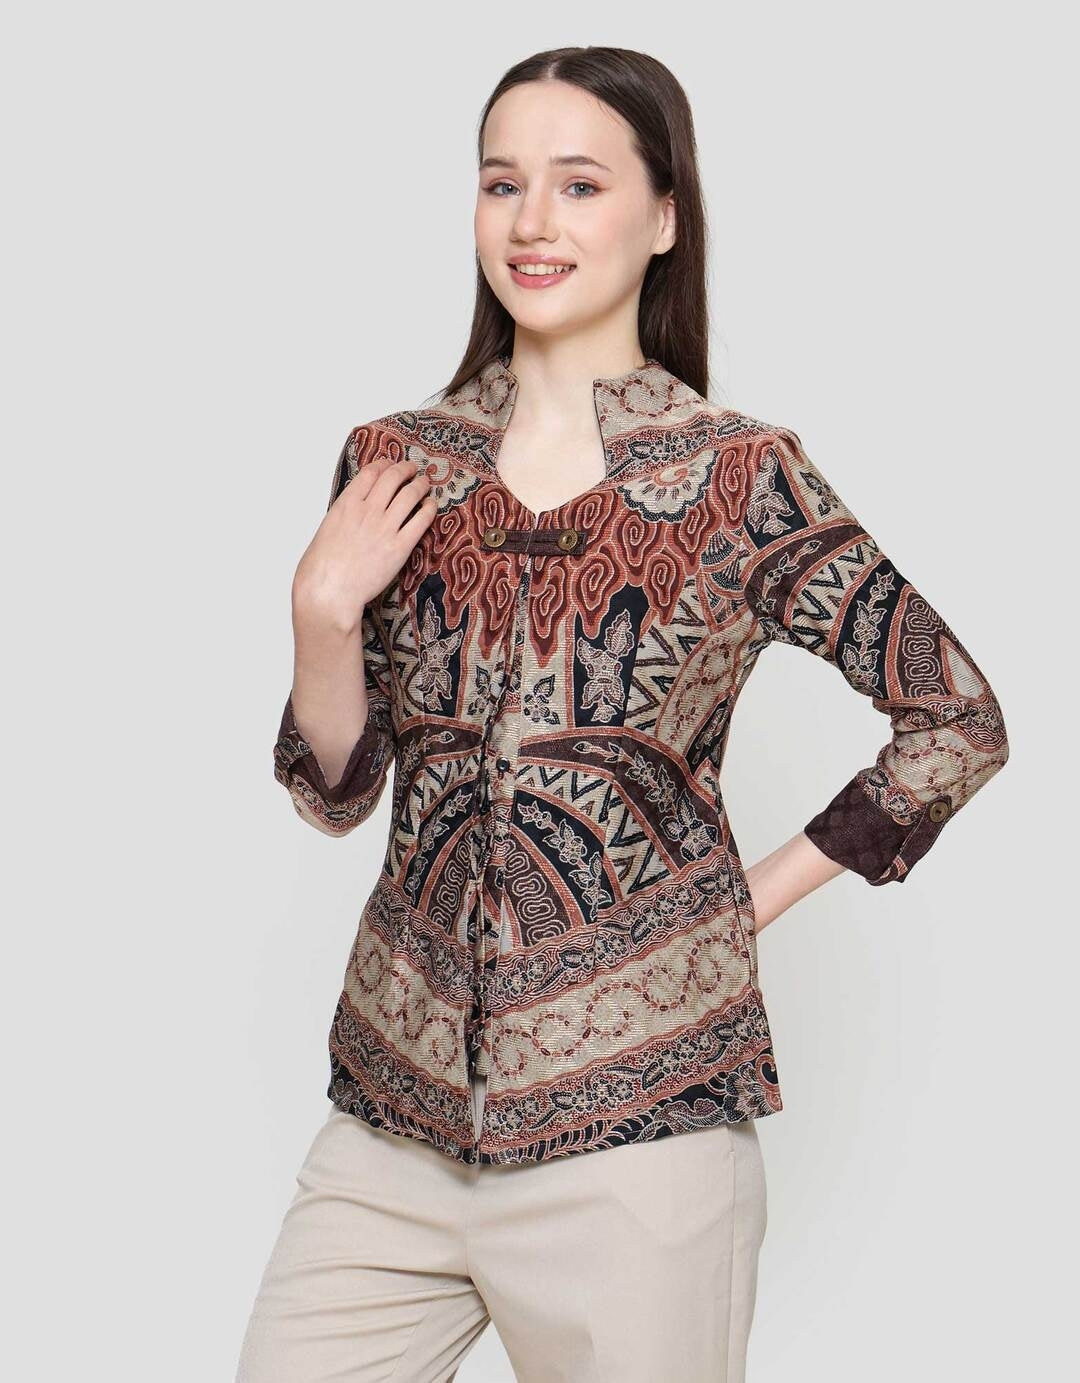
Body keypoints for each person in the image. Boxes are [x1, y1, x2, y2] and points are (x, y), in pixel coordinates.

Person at [235, 46, 1010, 1383]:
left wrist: (733, 908)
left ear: (662, 219)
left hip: (643, 1149)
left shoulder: (739, 476)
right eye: (503, 184)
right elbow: (335, 795)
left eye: (580, 184)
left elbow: (957, 718)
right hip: (391, 1131)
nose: (533, 222)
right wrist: (319, 611)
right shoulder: (395, 462)